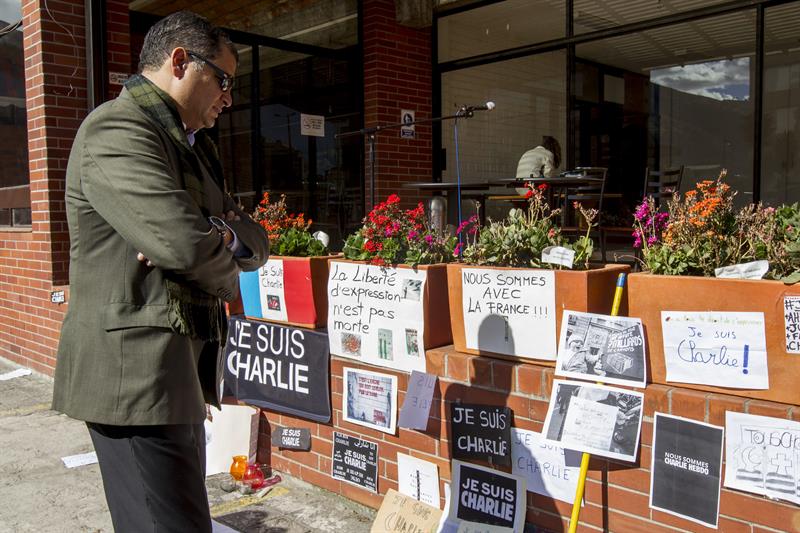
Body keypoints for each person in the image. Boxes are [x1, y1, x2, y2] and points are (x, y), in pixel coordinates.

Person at [51, 11, 269, 532]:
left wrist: (217, 234)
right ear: (179, 62)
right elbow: (184, 247)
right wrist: (212, 241)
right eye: (223, 79)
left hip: (177, 375)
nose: (228, 97)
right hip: (134, 381)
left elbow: (255, 241)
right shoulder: (117, 129)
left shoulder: (190, 149)